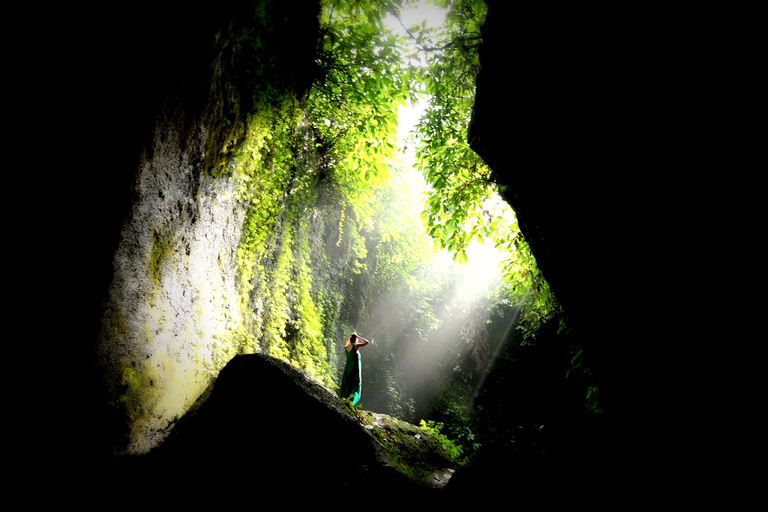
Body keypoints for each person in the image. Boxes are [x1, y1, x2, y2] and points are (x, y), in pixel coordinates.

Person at [339, 332, 370, 406]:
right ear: (356, 340)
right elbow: (367, 342)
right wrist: (358, 336)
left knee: (348, 383)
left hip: (348, 367)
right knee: (355, 384)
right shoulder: (355, 346)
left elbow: (345, 343)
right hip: (354, 369)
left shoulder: (346, 347)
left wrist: (351, 337)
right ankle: (350, 402)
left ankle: (345, 399)